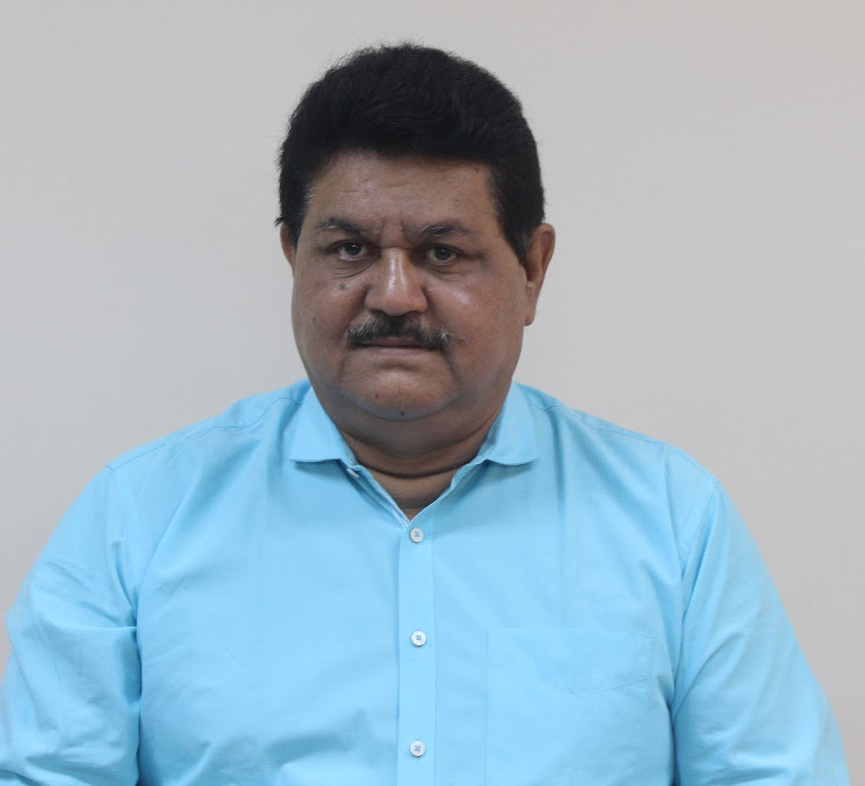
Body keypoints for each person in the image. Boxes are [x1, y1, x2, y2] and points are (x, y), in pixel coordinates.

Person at [0, 44, 850, 785]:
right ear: (292, 256)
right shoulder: (137, 519)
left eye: (443, 252)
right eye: (349, 249)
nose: (394, 295)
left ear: (532, 269)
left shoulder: (670, 519)